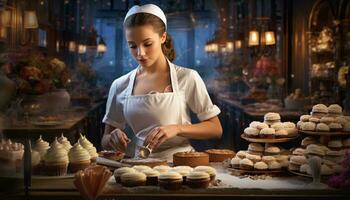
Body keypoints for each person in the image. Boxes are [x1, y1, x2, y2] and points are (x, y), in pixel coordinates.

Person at [101, 4, 222, 161]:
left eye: (147, 44)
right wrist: (112, 138)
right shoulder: (119, 85)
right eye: (132, 46)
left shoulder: (187, 77)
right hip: (138, 166)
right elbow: (105, 141)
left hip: (180, 164)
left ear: (163, 37)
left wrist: (178, 129)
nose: (140, 53)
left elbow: (215, 128)